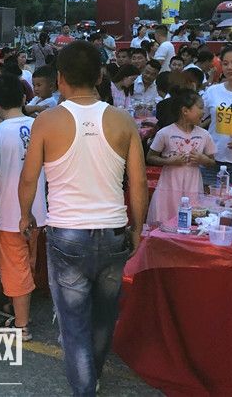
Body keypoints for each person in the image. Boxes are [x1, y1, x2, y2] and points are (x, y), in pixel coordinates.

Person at [18, 40, 147, 396]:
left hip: (67, 234)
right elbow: (138, 182)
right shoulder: (122, 120)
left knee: (74, 323)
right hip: (113, 230)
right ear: (100, 76)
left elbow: (29, 178)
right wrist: (138, 228)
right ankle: (93, 377)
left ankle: (84, 388)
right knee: (104, 316)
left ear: (60, 78)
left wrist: (26, 215)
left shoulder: (47, 121)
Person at [0, 73, 47, 340]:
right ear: (24, 99)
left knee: (15, 268)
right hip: (38, 210)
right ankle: (21, 313)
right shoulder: (38, 125)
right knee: (28, 263)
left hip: (10, 213)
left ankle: (21, 325)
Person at [146, 89, 216, 227]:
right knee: (166, 223)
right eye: (200, 107)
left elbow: (212, 161)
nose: (203, 112)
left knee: (190, 222)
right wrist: (169, 161)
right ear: (185, 111)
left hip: (193, 185)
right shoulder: (165, 133)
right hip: (169, 186)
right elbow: (150, 157)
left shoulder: (204, 135)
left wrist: (202, 159)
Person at [201, 44, 232, 186]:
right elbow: (196, 118)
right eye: (225, 63)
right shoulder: (213, 91)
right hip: (212, 161)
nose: (230, 67)